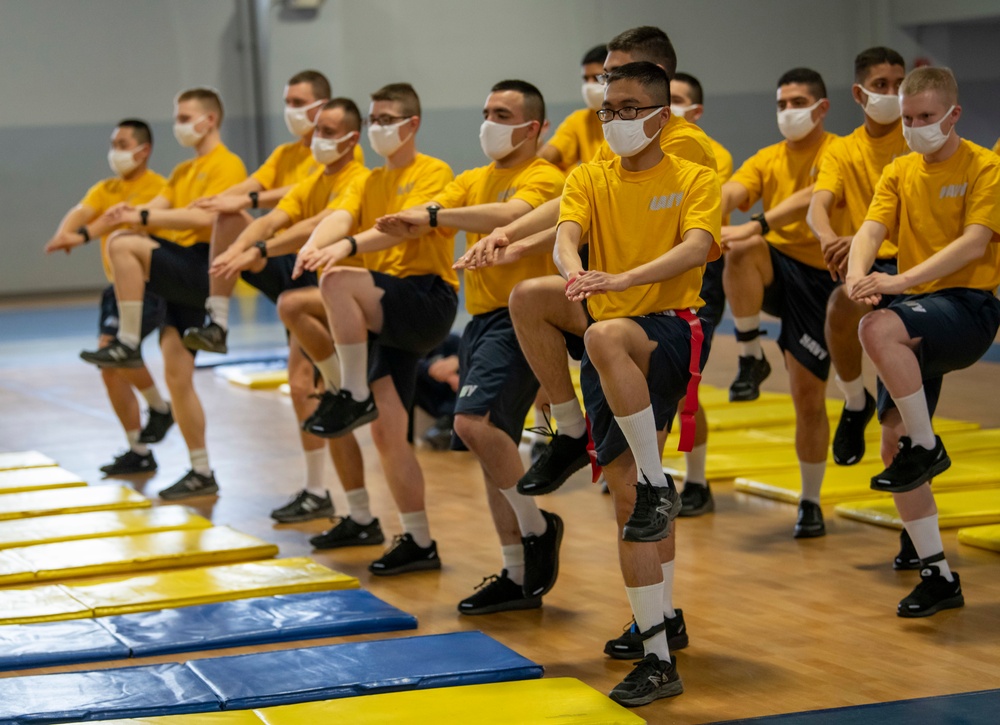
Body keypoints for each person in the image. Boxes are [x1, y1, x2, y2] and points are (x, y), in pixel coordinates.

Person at [556, 61, 720, 707]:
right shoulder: (587, 176)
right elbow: (567, 236)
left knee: (600, 335)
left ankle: (658, 480)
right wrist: (575, 270)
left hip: (669, 326)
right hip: (612, 327)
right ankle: (657, 651)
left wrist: (621, 281)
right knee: (626, 503)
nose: (615, 119)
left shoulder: (695, 177)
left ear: (662, 114)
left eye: (629, 107)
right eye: (607, 108)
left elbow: (698, 247)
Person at [376, 80, 566, 614]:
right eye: (485, 112)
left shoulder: (544, 176)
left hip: (522, 318)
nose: (489, 122)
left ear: (534, 127)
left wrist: (436, 218)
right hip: (481, 319)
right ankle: (517, 574)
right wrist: (415, 215)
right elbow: (439, 204)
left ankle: (538, 528)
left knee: (472, 425)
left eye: (502, 113)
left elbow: (509, 217)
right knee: (491, 447)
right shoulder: (474, 177)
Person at [848, 66, 1000, 617]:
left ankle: (927, 444)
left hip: (968, 307)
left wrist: (898, 281)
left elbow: (973, 242)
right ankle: (937, 574)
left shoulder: (985, 166)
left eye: (927, 118)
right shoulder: (899, 169)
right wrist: (857, 275)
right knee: (893, 446)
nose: (915, 128)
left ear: (954, 115)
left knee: (877, 326)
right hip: (916, 312)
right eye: (908, 119)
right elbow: (870, 229)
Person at [292, 83, 458, 575]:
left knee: (338, 280)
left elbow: (404, 227)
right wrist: (315, 245)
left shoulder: (433, 171)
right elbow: (339, 216)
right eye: (372, 119)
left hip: (426, 299)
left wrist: (341, 250)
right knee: (389, 437)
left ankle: (350, 389)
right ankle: (419, 542)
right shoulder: (368, 181)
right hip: (387, 313)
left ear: (412, 124)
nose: (377, 127)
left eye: (386, 118)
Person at [208, 98, 371, 525]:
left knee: (374, 425)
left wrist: (256, 250)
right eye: (316, 130)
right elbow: (271, 217)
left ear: (353, 138)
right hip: (304, 281)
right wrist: (238, 249)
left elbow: (310, 228)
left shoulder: (360, 179)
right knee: (305, 390)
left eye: (328, 131)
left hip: (347, 296)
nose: (317, 138)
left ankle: (368, 515)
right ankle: (325, 494)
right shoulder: (309, 173)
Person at [79, 88, 247, 500]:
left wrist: (140, 217)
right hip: (180, 279)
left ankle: (129, 342)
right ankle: (201, 471)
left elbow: (202, 217)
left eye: (185, 116)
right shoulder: (183, 173)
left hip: (200, 268)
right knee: (178, 379)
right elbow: (158, 205)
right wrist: (123, 216)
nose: (179, 124)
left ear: (209, 120)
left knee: (123, 244)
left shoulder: (227, 164)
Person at [720, 68, 842, 538]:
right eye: (781, 104)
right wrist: (713, 205)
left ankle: (810, 501)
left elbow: (815, 195)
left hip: (823, 279)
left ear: (821, 107)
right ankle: (750, 355)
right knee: (742, 249)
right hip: (778, 268)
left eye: (797, 102)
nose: (787, 112)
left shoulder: (839, 151)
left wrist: (758, 221)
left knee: (808, 398)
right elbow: (735, 190)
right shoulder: (766, 158)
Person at [182, 71, 361, 354]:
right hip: (284, 257)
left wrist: (250, 214)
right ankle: (217, 322)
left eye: (298, 101)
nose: (290, 110)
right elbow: (256, 193)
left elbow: (301, 205)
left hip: (320, 262)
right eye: (287, 102)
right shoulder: (285, 154)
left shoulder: (348, 159)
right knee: (228, 219)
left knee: (310, 372)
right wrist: (212, 204)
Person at [44, 120, 171, 475]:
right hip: (115, 290)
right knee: (110, 369)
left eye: (122, 143)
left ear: (143, 150)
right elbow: (80, 213)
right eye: (112, 142)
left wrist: (82, 236)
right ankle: (139, 449)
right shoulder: (106, 188)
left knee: (115, 355)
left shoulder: (159, 189)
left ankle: (161, 409)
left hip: (148, 289)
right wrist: (63, 235)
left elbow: (121, 227)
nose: (115, 150)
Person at [807, 48, 908, 473]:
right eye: (882, 85)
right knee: (838, 306)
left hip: (914, 267)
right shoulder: (842, 151)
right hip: (867, 267)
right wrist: (831, 240)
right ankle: (853, 401)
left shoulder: (916, 140)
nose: (893, 93)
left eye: (900, 85)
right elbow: (817, 206)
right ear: (859, 93)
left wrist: (858, 241)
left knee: (900, 417)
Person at [668, 71, 735, 516]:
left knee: (681, 386)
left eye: (675, 99)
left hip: (697, 276)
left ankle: (697, 482)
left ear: (696, 109)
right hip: (645, 276)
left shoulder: (712, 156)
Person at [538, 44, 607, 170]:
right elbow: (547, 156)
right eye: (586, 79)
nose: (589, 85)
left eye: (597, 78)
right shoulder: (580, 120)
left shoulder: (636, 117)